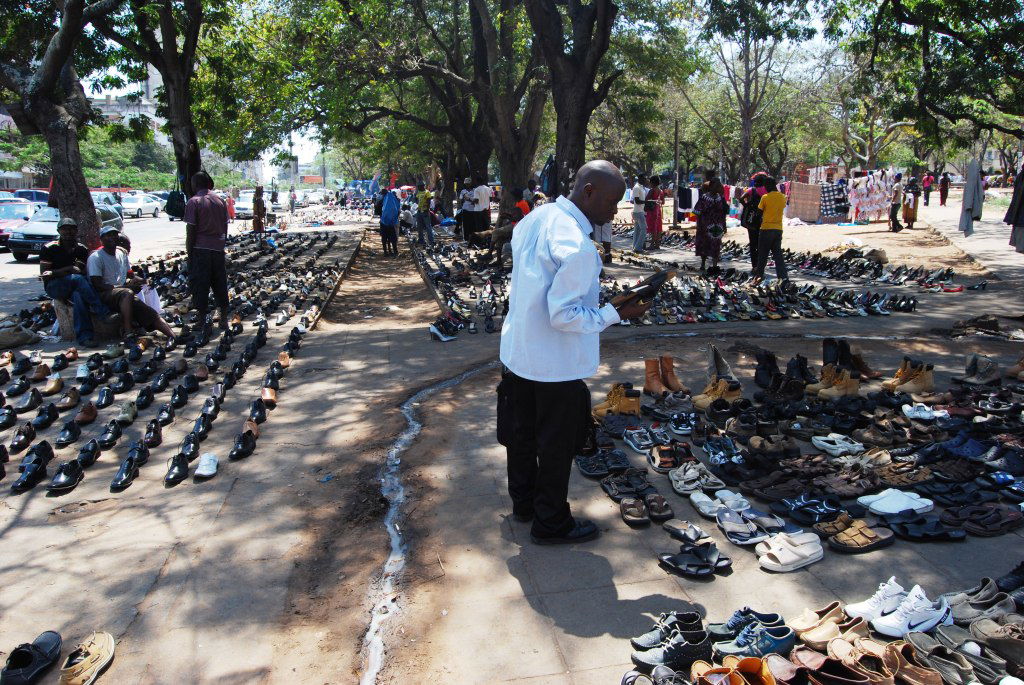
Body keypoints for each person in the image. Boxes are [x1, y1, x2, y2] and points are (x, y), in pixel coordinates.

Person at [497, 160, 650, 545]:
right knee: (555, 445)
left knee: (522, 436)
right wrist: (615, 312)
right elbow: (564, 315)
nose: (616, 211)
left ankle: (525, 504)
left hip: (519, 352)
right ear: (589, 192)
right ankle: (551, 523)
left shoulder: (538, 217)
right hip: (554, 365)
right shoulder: (578, 246)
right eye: (613, 202)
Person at [40, 217, 116, 347]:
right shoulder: (49, 248)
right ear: (59, 231)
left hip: (75, 285)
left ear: (76, 231)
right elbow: (46, 275)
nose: (68, 232)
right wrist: (68, 269)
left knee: (78, 295)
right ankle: (102, 312)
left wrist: (57, 271)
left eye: (71, 229)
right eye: (65, 229)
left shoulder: (81, 249)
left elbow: (78, 269)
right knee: (78, 279)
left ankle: (85, 337)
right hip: (54, 286)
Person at [87, 227, 174, 339]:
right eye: (108, 235)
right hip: (105, 294)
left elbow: (130, 275)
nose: (112, 237)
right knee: (127, 293)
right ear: (101, 240)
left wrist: (145, 281)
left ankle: (173, 336)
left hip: (123, 293)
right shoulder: (96, 258)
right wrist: (126, 287)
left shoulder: (121, 253)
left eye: (114, 234)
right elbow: (97, 285)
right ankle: (128, 333)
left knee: (151, 313)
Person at [183, 170, 231, 328]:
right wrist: (221, 244)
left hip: (200, 248)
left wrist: (190, 253)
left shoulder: (194, 202)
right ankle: (223, 318)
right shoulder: (220, 201)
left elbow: (191, 230)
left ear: (195, 184)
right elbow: (225, 226)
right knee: (219, 282)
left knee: (200, 284)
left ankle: (202, 319)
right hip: (217, 248)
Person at [753, 177, 788, 282]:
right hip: (778, 229)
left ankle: (759, 276)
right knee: (778, 255)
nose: (765, 189)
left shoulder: (765, 197)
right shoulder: (783, 197)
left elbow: (758, 214)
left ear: (768, 185)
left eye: (765, 186)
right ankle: (783, 278)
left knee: (763, 255)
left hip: (766, 229)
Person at [694, 178, 728, 274]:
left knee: (716, 246)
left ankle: (714, 265)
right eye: (716, 185)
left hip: (718, 227)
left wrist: (724, 225)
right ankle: (703, 263)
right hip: (705, 226)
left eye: (719, 185)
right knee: (705, 245)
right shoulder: (704, 198)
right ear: (711, 186)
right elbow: (696, 211)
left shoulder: (721, 198)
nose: (718, 187)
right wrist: (701, 223)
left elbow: (723, 212)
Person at [740, 174, 767, 269]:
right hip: (763, 220)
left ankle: (754, 265)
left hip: (751, 220)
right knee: (762, 243)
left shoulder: (751, 190)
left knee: (752, 243)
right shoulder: (767, 191)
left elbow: (741, 199)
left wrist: (747, 205)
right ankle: (760, 265)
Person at [644, 175, 664, 250]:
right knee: (658, 227)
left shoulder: (652, 190)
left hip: (652, 211)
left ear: (652, 182)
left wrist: (653, 201)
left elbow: (646, 200)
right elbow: (663, 202)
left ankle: (652, 244)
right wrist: (657, 201)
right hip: (658, 210)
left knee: (653, 228)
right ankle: (657, 244)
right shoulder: (661, 191)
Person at [379, 188, 401, 256]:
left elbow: (378, 210)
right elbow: (398, 210)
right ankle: (395, 251)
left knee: (384, 237)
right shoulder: (394, 198)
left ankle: (386, 251)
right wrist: (394, 219)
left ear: (383, 194)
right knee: (392, 237)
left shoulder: (384, 199)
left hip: (384, 221)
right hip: (392, 222)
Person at [630, 175, 647, 253]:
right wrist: (647, 202)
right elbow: (636, 201)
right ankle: (638, 247)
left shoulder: (641, 187)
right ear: (640, 179)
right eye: (644, 178)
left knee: (637, 230)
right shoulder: (637, 187)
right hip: (638, 212)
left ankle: (635, 246)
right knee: (644, 229)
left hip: (639, 211)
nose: (646, 180)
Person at [414, 181, 434, 247]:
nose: (418, 188)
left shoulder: (427, 192)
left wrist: (427, 210)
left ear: (422, 186)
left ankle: (431, 241)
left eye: (419, 186)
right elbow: (416, 199)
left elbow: (429, 201)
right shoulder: (419, 192)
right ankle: (421, 240)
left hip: (425, 211)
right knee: (419, 227)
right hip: (419, 211)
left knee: (428, 227)